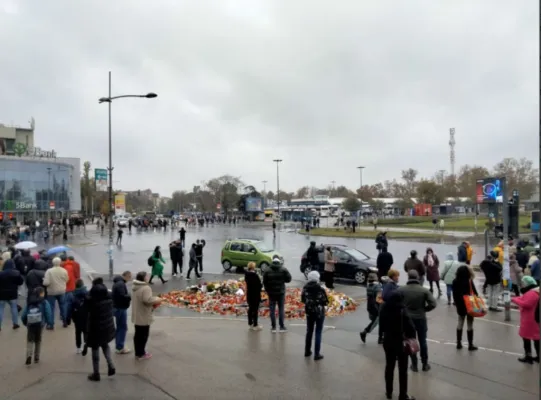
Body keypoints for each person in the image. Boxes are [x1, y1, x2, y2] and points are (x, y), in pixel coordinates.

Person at [379, 291, 417, 400]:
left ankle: (389, 392)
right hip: (401, 342)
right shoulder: (402, 310)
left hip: (388, 340)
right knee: (403, 369)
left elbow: (381, 326)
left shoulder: (384, 308)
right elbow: (411, 327)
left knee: (389, 366)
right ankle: (402, 394)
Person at [398, 270, 437, 372]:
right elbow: (433, 304)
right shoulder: (424, 290)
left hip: (407, 319)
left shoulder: (401, 290)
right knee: (422, 341)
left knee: (411, 340)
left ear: (408, 278)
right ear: (418, 278)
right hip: (420, 318)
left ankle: (414, 364)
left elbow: (396, 303)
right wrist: (424, 309)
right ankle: (425, 364)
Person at [86, 277, 116, 381]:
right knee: (105, 344)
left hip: (95, 328)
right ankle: (111, 365)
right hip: (107, 327)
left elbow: (85, 311)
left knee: (95, 349)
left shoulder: (91, 301)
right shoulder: (108, 298)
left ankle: (96, 373)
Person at [132, 271, 162, 360]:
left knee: (137, 335)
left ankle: (138, 352)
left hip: (137, 314)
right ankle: (141, 354)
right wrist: (157, 299)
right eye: (147, 276)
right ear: (144, 278)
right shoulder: (146, 288)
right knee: (143, 335)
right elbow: (147, 300)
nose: (148, 277)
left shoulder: (135, 286)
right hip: (144, 315)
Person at [21, 287, 53, 365]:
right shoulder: (44, 302)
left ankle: (29, 355)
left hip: (30, 323)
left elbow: (23, 314)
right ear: (42, 293)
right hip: (40, 324)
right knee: (38, 340)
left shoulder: (30, 302)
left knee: (30, 340)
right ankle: (36, 357)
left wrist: (25, 322)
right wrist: (49, 323)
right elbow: (48, 313)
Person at [511, 276, 540, 363]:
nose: (521, 285)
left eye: (523, 283)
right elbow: (523, 299)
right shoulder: (535, 291)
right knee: (536, 338)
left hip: (529, 319)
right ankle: (538, 357)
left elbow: (526, 304)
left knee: (526, 338)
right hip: (534, 318)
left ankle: (528, 357)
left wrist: (514, 300)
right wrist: (517, 298)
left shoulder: (532, 293)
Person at [301, 271, 328, 360]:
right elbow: (325, 301)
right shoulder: (321, 288)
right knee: (318, 332)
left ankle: (307, 351)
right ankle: (317, 354)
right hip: (319, 312)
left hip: (309, 312)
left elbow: (303, 299)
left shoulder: (305, 288)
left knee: (309, 331)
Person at [452, 265, 479, 351]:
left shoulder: (455, 281)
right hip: (469, 305)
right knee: (470, 324)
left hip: (460, 305)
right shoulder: (469, 281)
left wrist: (457, 303)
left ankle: (458, 343)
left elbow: (455, 295)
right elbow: (475, 293)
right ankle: (470, 344)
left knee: (460, 322)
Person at [263, 256, 292, 333]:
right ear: (279, 262)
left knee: (272, 310)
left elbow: (264, 282)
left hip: (271, 293)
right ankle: (282, 326)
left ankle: (273, 327)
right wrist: (283, 280)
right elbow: (289, 279)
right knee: (281, 309)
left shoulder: (267, 270)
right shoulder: (283, 269)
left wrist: (267, 290)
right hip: (281, 292)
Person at [43, 257, 69, 328]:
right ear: (60, 262)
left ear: (53, 263)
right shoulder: (64, 270)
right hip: (62, 291)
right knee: (63, 306)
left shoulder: (49, 271)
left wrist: (44, 280)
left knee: (51, 308)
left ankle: (51, 324)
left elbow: (46, 283)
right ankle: (65, 322)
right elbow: (67, 280)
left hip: (52, 292)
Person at [0, 259, 24, 330]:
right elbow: (21, 282)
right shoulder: (16, 273)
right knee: (14, 308)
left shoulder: (1, 273)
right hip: (13, 294)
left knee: (1, 309)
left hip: (1, 294)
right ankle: (15, 323)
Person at [112, 271, 132, 354]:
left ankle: (118, 346)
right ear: (125, 276)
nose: (130, 278)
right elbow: (122, 296)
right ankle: (120, 347)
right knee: (122, 327)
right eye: (129, 276)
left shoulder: (117, 283)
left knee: (120, 327)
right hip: (120, 308)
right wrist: (129, 296)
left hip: (117, 307)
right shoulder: (120, 284)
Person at [360, 272, 383, 343]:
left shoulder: (368, 286)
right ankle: (365, 332)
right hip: (376, 307)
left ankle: (380, 338)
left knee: (379, 322)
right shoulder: (377, 286)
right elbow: (379, 299)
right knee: (376, 322)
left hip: (370, 306)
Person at [70, 279, 89, 355]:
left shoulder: (73, 294)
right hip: (85, 315)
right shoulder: (86, 293)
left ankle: (78, 347)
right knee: (86, 331)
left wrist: (70, 317)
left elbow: (70, 306)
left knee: (78, 332)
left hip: (77, 315)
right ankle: (86, 343)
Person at [244, 262, 262, 331]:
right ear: (253, 267)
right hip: (255, 295)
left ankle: (250, 323)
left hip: (249, 294)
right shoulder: (255, 275)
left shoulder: (247, 275)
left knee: (250, 309)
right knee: (255, 310)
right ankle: (255, 325)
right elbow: (259, 286)